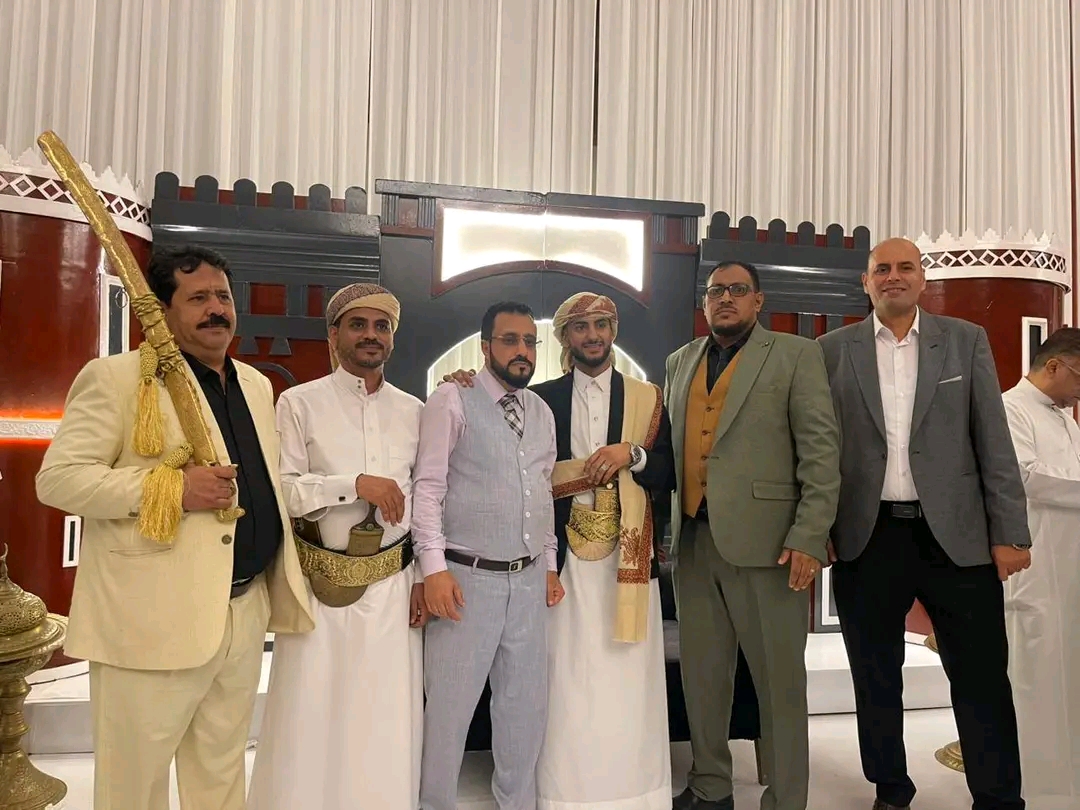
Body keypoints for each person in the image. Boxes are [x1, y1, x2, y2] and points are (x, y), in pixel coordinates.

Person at [35, 246, 313, 810]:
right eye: (198, 298)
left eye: (223, 297)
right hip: (149, 621)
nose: (217, 309)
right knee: (133, 785)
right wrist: (171, 490)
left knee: (222, 774)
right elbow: (58, 480)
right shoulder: (117, 379)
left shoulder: (255, 384)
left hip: (242, 611)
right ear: (161, 310)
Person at [818, 237, 1031, 810]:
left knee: (982, 677)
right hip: (866, 537)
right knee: (875, 677)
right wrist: (818, 532)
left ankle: (998, 797)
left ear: (922, 280)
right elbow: (818, 449)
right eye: (882, 268)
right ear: (866, 282)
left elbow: (994, 440)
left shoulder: (965, 340)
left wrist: (1010, 532)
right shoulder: (831, 350)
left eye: (905, 267)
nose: (893, 276)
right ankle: (891, 789)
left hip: (958, 538)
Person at [442, 291, 677, 809]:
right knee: (564, 677)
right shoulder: (540, 397)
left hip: (626, 561)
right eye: (580, 327)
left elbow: (669, 472)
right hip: (559, 564)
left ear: (613, 331)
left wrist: (632, 454)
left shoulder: (647, 398)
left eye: (601, 324)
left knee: (625, 675)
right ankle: (563, 792)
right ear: (566, 337)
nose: (593, 335)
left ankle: (633, 792)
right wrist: (460, 382)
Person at [666, 261, 841, 810]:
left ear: (758, 301)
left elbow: (821, 451)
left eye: (738, 290)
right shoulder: (679, 361)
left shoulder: (795, 355)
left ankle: (786, 797)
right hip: (693, 543)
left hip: (771, 548)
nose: (725, 298)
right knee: (703, 678)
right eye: (716, 290)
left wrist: (809, 535)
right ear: (705, 301)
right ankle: (710, 785)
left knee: (779, 683)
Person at [247, 283, 427, 809]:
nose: (371, 335)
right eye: (358, 324)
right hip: (320, 588)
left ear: (392, 337)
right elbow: (285, 491)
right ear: (334, 335)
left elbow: (426, 501)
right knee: (311, 711)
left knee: (384, 714)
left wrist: (420, 577)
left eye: (381, 326)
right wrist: (354, 484)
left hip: (394, 588)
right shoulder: (299, 403)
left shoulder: (415, 410)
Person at [413, 301, 565, 810]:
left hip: (528, 582)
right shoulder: (451, 399)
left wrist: (549, 565)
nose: (523, 351)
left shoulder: (540, 411)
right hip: (465, 580)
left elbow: (542, 492)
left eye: (530, 342)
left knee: (524, 712)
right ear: (485, 347)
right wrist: (433, 570)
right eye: (510, 340)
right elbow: (428, 489)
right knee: (449, 712)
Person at [1001, 327, 1080, 810]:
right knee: (1035, 674)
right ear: (1054, 365)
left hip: (1070, 565)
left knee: (1069, 673)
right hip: (1034, 562)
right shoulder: (1010, 408)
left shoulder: (1066, 419)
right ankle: (1036, 788)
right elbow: (1025, 477)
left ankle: (1069, 783)